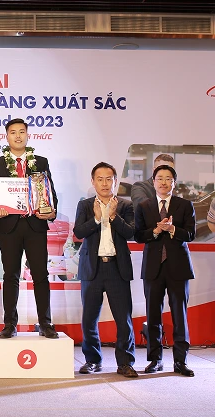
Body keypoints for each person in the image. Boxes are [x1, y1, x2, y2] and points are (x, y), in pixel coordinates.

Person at [0, 118, 59, 339]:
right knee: (10, 276)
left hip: (35, 225)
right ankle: (9, 324)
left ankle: (45, 323)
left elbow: (50, 192)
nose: (18, 136)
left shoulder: (40, 162)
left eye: (22, 132)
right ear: (7, 136)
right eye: (13, 132)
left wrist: (51, 211)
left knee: (40, 275)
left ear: (27, 135)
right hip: (9, 226)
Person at [73, 162, 137, 378]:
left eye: (109, 179)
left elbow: (131, 233)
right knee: (89, 318)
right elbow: (79, 232)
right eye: (99, 179)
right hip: (92, 267)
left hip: (117, 268)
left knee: (123, 319)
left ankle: (125, 362)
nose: (104, 183)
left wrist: (112, 216)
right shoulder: (85, 205)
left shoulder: (125, 206)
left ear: (115, 181)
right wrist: (97, 218)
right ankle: (92, 360)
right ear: (93, 182)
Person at [135, 165, 196, 377]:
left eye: (168, 178)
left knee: (180, 315)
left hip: (178, 267)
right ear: (153, 182)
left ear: (174, 183)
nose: (163, 182)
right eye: (159, 178)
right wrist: (156, 230)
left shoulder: (185, 205)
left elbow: (190, 234)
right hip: (153, 268)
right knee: (153, 315)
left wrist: (172, 229)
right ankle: (155, 359)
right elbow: (139, 236)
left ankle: (181, 361)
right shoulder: (144, 206)